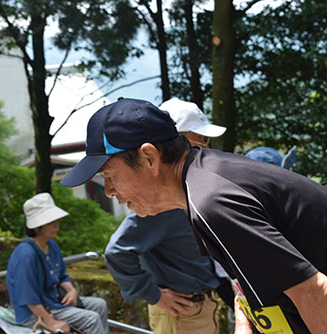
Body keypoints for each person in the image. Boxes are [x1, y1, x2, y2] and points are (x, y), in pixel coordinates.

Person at [60, 97, 327, 334]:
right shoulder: (199, 182)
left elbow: (315, 291)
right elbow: (250, 279)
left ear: (149, 158)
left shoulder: (212, 201)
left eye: (109, 175)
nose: (108, 191)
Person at [104, 98, 229, 334]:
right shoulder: (156, 204)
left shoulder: (183, 194)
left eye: (206, 140)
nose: (206, 146)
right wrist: (153, 295)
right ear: (176, 141)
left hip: (199, 306)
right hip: (182, 312)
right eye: (200, 139)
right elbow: (117, 251)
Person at [6, 192, 109, 334]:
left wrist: (72, 290)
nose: (56, 225)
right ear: (37, 227)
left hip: (53, 301)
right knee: (91, 319)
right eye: (50, 221)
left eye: (56, 220)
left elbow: (61, 276)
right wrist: (51, 322)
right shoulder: (25, 255)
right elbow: (29, 299)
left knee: (100, 305)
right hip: (33, 313)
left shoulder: (52, 246)